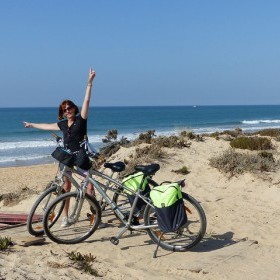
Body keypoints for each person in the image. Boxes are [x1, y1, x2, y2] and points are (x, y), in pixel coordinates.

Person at [24, 67, 96, 227]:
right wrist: (32, 124)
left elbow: (87, 101)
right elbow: (47, 126)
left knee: (90, 187)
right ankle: (66, 217)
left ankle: (95, 216)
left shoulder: (81, 120)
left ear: (74, 109)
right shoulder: (62, 124)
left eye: (69, 108)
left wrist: (89, 83)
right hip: (67, 157)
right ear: (62, 113)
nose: (67, 111)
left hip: (81, 156)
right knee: (66, 186)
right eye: (64, 110)